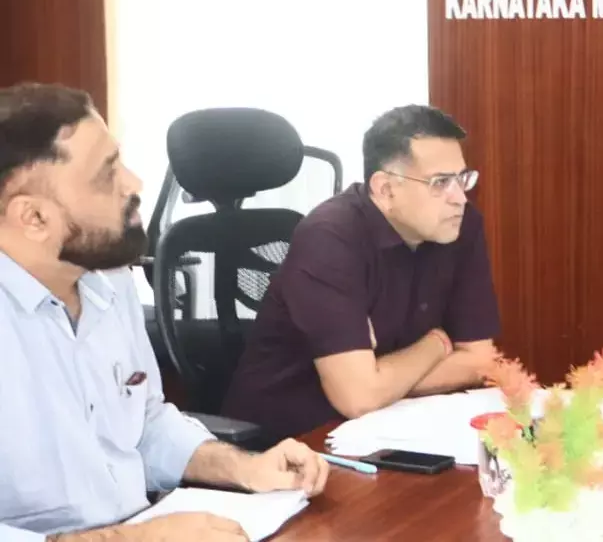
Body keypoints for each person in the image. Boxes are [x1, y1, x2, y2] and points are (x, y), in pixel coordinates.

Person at [0, 83, 329, 542]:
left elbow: (146, 424)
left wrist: (244, 468)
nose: (134, 183)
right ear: (33, 218)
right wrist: (133, 540)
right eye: (106, 175)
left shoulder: (107, 277)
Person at [222, 104, 500, 439]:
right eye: (440, 182)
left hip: (386, 424)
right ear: (385, 190)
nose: (459, 198)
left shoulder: (460, 225)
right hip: (287, 440)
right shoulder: (329, 237)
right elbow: (357, 398)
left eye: (462, 178)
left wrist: (382, 380)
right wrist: (438, 344)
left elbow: (480, 359)